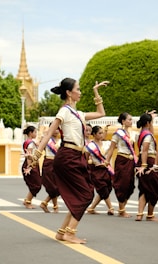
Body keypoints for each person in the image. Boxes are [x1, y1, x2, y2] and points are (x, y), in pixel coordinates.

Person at [25, 77, 109, 244]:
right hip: (67, 156)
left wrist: (96, 92)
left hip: (77, 157)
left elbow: (101, 114)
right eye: (77, 89)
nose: (80, 92)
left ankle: (63, 232)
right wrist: (36, 154)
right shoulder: (64, 111)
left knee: (81, 194)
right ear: (69, 93)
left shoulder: (79, 114)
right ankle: (70, 233)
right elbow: (49, 133)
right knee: (86, 194)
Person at [105, 112, 137, 217]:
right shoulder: (117, 133)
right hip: (122, 159)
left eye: (131, 119)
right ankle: (121, 209)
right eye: (129, 119)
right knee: (122, 184)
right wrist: (107, 161)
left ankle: (122, 207)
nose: (131, 121)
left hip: (131, 161)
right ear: (123, 121)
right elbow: (111, 149)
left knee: (130, 185)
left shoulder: (132, 133)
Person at [135, 112, 158, 221]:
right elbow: (145, 150)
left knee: (144, 188)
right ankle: (150, 214)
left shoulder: (140, 134)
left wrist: (151, 120)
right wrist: (144, 165)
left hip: (142, 160)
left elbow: (152, 134)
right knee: (155, 188)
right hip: (148, 161)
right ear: (147, 123)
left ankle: (140, 214)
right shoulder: (147, 135)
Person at [85, 125, 114, 215]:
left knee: (107, 188)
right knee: (102, 188)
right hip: (96, 170)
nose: (102, 135)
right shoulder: (90, 146)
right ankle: (111, 208)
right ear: (94, 134)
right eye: (99, 133)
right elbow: (85, 160)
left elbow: (112, 150)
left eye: (102, 133)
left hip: (106, 169)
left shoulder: (107, 144)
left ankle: (92, 208)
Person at [40, 124, 61, 213]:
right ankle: (55, 206)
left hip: (58, 164)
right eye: (54, 129)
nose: (56, 131)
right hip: (48, 162)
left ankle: (45, 203)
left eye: (58, 129)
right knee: (53, 186)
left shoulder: (61, 141)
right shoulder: (46, 139)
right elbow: (39, 148)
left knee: (59, 186)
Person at [22, 126, 42, 209]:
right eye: (35, 132)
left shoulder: (29, 142)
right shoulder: (30, 143)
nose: (36, 134)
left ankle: (27, 200)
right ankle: (28, 202)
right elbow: (29, 156)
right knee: (36, 185)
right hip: (31, 165)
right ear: (30, 133)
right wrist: (30, 166)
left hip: (33, 164)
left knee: (35, 184)